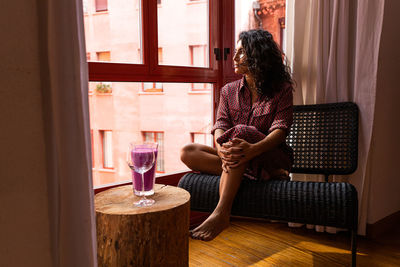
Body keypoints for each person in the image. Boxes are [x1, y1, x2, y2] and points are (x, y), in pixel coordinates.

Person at [180, 29, 294, 241]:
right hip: (239, 157)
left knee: (242, 131)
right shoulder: (228, 91)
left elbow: (280, 130)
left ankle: (222, 212)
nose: (234, 57)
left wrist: (252, 149)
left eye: (241, 52)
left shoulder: (282, 90)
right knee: (188, 152)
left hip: (271, 155)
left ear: (258, 55)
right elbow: (220, 125)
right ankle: (255, 173)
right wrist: (223, 151)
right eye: (236, 51)